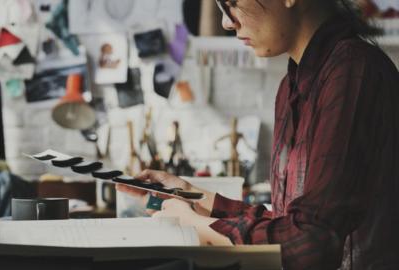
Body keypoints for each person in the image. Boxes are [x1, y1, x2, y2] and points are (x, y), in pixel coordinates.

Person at [117, 0, 399, 269]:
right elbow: (289, 224)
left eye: (233, 3)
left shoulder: (352, 71)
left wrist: (193, 223)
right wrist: (191, 196)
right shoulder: (292, 87)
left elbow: (310, 243)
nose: (228, 22)